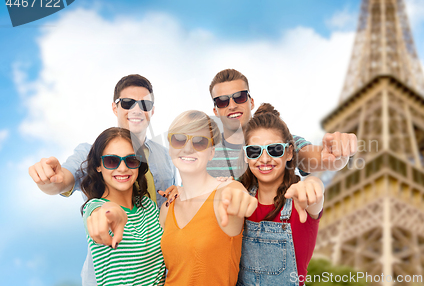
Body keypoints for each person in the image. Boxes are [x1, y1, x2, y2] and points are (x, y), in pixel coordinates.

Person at [28, 74, 177, 285]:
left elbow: (169, 209)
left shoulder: (166, 156)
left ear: (152, 110)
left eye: (144, 104)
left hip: (161, 270)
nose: (136, 109)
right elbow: (64, 182)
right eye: (127, 103)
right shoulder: (90, 153)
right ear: (115, 108)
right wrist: (51, 180)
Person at [160, 110, 258, 285]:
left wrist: (240, 198)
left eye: (199, 142)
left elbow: (236, 194)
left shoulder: (225, 191)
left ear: (212, 152)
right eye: (179, 139)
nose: (188, 148)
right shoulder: (168, 207)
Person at [208, 69, 357, 179]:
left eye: (239, 97)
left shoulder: (281, 141)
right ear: (215, 110)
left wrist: (335, 156)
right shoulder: (203, 152)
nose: (232, 105)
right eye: (222, 101)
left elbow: (309, 157)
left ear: (251, 102)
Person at [236, 103, 325, 286]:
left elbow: (314, 196)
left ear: (289, 152)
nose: (265, 159)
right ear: (246, 156)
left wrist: (314, 183)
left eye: (274, 149)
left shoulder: (301, 202)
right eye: (254, 151)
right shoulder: (240, 199)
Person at [82, 127, 165, 285]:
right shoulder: (95, 207)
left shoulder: (149, 207)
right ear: (98, 166)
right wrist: (111, 213)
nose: (122, 168)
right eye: (111, 161)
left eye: (131, 159)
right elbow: (101, 213)